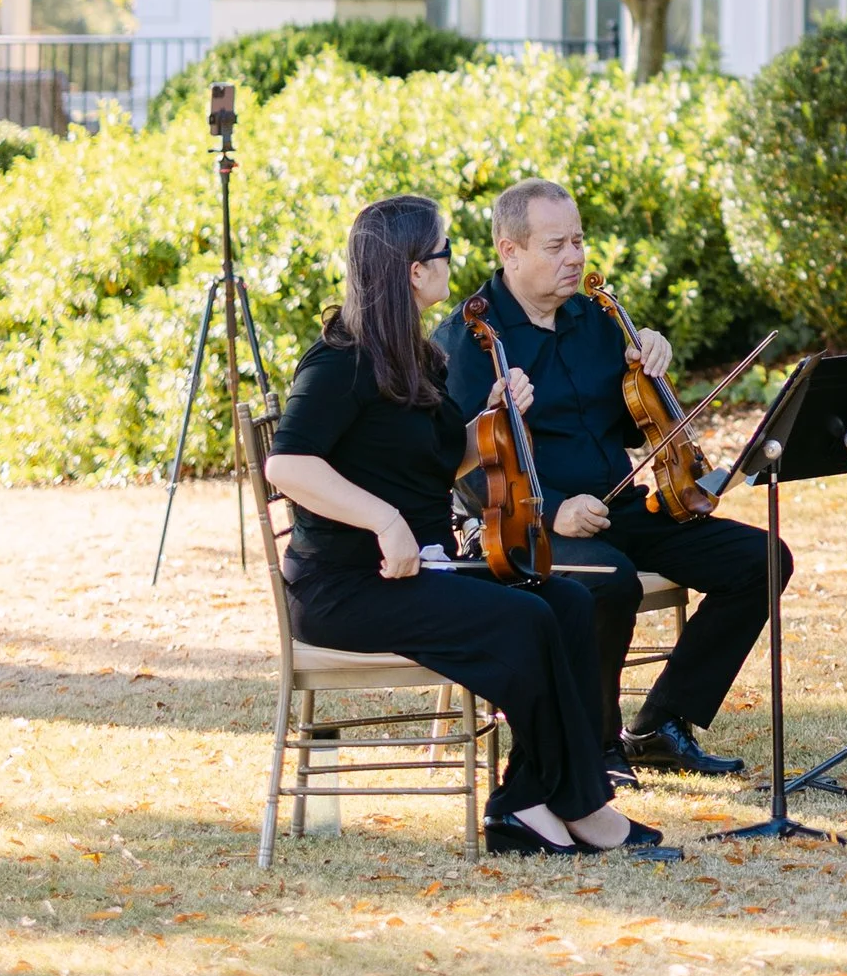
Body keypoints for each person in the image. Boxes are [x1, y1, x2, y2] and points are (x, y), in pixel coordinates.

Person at [265, 193, 674, 860]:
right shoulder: (339, 358)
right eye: (444, 253)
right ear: (412, 271)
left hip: (422, 569)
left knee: (566, 599)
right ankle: (536, 807)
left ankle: (554, 800)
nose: (454, 265)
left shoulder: (418, 358)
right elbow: (287, 463)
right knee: (526, 620)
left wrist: (490, 419)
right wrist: (384, 521)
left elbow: (433, 464)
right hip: (348, 587)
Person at [438, 178, 779, 782]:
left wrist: (648, 367)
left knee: (761, 559)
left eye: (578, 241)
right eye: (555, 246)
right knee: (607, 582)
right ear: (508, 251)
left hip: (619, 510)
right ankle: (593, 747)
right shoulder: (470, 340)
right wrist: (554, 510)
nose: (574, 258)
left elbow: (629, 426)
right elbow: (464, 469)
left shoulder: (595, 320)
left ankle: (661, 724)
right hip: (529, 526)